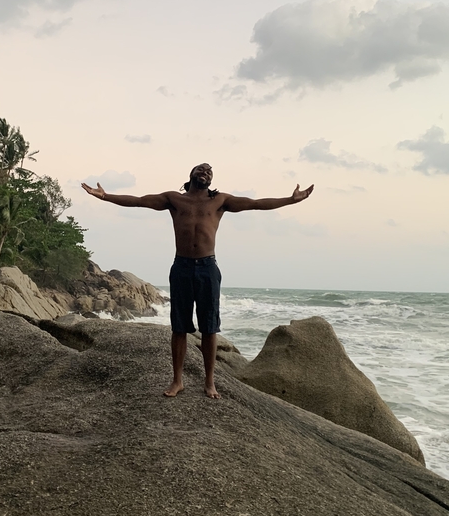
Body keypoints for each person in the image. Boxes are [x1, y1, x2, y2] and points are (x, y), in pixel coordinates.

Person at [82, 163, 314, 399]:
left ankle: (210, 382)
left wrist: (290, 200)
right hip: (181, 266)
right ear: (191, 174)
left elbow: (256, 204)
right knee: (179, 326)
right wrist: (105, 197)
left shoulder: (220, 201)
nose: (206, 172)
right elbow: (140, 200)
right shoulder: (174, 199)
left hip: (207, 268)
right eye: (201, 169)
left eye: (209, 172)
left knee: (209, 327)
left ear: (211, 180)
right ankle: (177, 381)